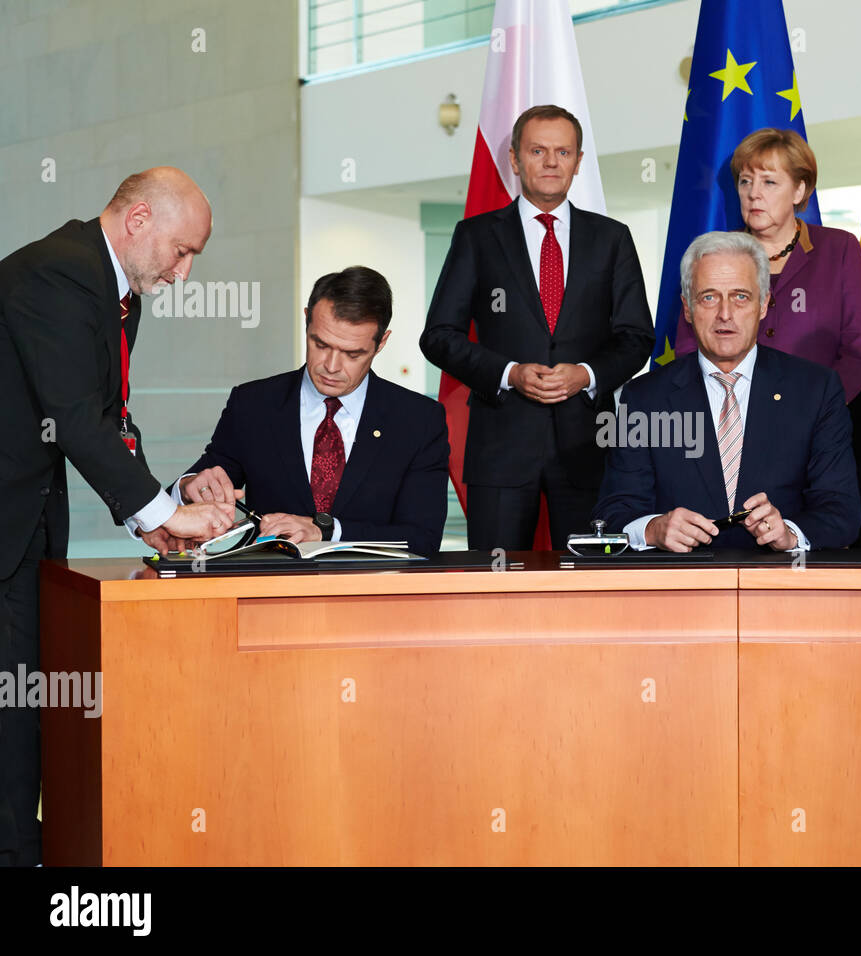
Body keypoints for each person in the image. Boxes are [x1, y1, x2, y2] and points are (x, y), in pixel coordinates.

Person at [0, 167, 235, 866]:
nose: (184, 273)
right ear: (138, 221)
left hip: (28, 527)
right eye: (182, 250)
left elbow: (107, 417)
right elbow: (73, 419)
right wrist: (166, 511)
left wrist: (150, 522)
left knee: (23, 706)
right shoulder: (60, 274)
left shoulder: (114, 290)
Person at [420, 104, 654, 550]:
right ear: (514, 159)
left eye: (563, 152)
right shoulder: (476, 236)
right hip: (501, 451)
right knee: (496, 587)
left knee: (586, 585)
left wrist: (585, 374)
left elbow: (637, 336)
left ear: (578, 161)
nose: (551, 162)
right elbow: (438, 336)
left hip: (591, 447)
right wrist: (510, 373)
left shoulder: (612, 239)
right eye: (538, 150)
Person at [594, 232, 861, 551]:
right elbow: (613, 512)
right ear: (688, 308)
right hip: (682, 587)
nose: (725, 313)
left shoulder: (816, 390)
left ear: (764, 304)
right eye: (708, 297)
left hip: (780, 585)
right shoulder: (644, 398)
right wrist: (653, 529)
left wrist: (789, 534)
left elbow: (841, 512)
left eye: (740, 297)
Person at [172, 267, 450, 556]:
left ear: (381, 343)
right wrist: (189, 486)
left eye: (352, 354)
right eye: (320, 344)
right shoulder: (253, 405)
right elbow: (201, 481)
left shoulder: (419, 421)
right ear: (306, 321)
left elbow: (422, 538)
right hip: (271, 592)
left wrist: (327, 530)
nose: (331, 365)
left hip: (373, 592)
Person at [673, 127, 861, 403]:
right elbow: (688, 345)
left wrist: (818, 409)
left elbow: (858, 349)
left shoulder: (839, 249)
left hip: (822, 419)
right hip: (729, 420)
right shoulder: (712, 255)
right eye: (745, 181)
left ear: (799, 190)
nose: (753, 193)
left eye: (768, 182)